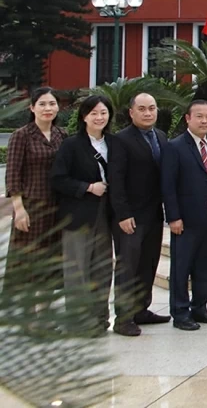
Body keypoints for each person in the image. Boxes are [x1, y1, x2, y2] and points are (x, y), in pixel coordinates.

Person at [51, 95, 120, 335]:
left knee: (101, 269)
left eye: (103, 112)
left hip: (105, 214)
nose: (99, 117)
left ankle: (100, 320)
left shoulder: (114, 143)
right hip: (77, 215)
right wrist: (88, 187)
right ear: (84, 117)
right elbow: (58, 179)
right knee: (77, 270)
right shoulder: (71, 145)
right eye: (94, 113)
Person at [109, 92, 171, 335]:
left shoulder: (162, 137)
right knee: (128, 266)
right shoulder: (121, 140)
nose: (148, 113)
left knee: (148, 263)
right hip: (130, 217)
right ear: (131, 112)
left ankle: (141, 310)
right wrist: (123, 214)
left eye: (152, 108)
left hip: (154, 214)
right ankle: (123, 318)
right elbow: (116, 180)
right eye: (142, 109)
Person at [162, 100, 207, 330]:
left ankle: (200, 307)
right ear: (188, 118)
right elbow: (168, 186)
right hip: (185, 220)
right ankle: (180, 312)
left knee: (204, 266)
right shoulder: (175, 146)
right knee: (181, 267)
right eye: (199, 116)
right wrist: (173, 217)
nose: (204, 120)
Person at [4, 88, 66, 308]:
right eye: (42, 104)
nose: (47, 108)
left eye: (51, 104)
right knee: (30, 259)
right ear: (32, 108)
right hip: (31, 207)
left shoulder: (62, 135)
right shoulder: (21, 135)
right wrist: (19, 209)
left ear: (58, 107)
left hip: (57, 207)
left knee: (51, 258)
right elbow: (12, 174)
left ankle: (45, 311)